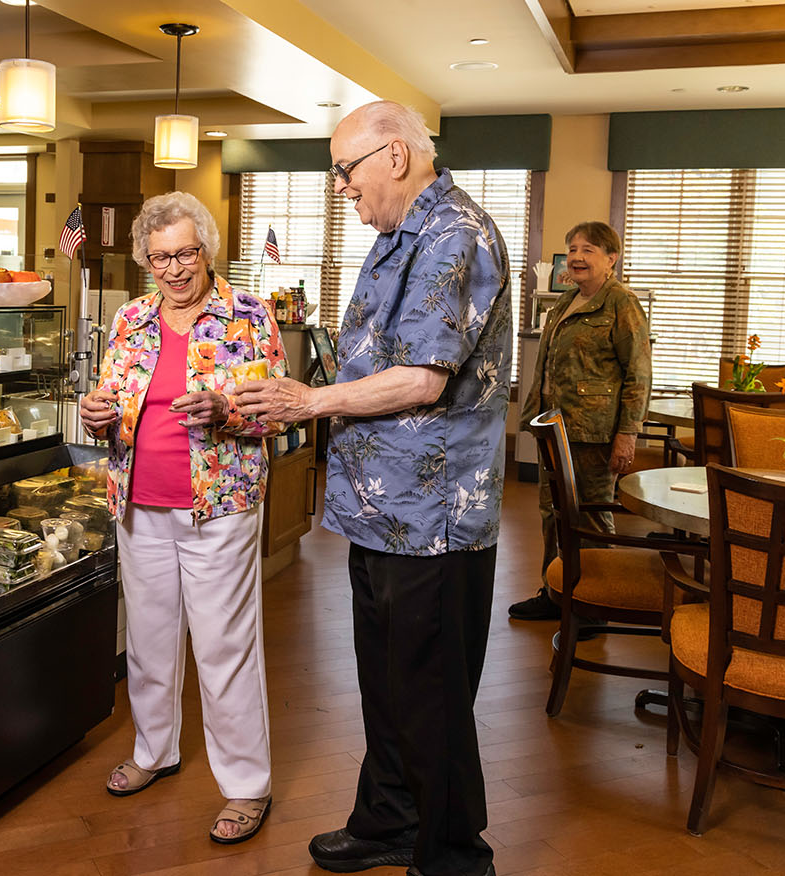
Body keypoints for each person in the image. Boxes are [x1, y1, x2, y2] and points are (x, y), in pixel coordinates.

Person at [234, 101, 510, 876]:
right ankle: (391, 817)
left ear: (394, 156)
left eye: (344, 172)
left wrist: (309, 401)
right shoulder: (397, 234)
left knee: (430, 691)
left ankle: (454, 852)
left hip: (433, 518)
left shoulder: (455, 233)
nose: (340, 189)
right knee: (388, 683)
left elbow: (423, 377)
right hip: (379, 509)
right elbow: (371, 357)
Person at [77, 191, 288, 845]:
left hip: (218, 508)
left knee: (224, 647)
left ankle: (248, 785)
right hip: (139, 504)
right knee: (148, 637)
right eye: (160, 256)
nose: (174, 268)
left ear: (207, 250)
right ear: (145, 259)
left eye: (185, 253)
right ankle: (154, 750)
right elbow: (113, 395)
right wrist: (97, 415)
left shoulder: (248, 315)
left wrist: (226, 413)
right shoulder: (130, 319)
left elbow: (277, 410)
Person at [508, 221, 651, 622]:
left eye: (588, 249)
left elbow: (638, 374)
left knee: (588, 516)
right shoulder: (565, 302)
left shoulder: (621, 303)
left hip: (594, 431)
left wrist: (627, 434)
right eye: (572, 249)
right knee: (552, 512)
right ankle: (556, 592)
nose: (576, 257)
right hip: (554, 428)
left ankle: (593, 604)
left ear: (612, 258)